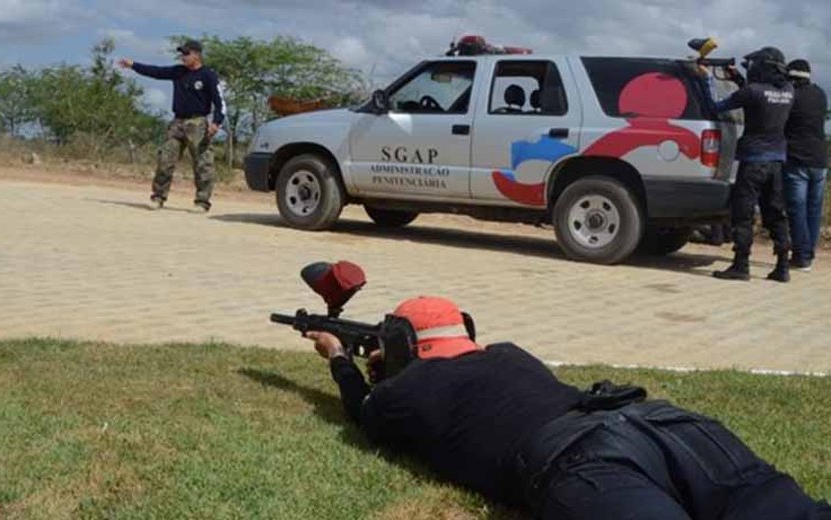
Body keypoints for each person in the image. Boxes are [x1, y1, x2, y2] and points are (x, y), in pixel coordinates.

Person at [307, 296, 831, 519]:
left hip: (582, 458)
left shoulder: (408, 391)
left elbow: (364, 411)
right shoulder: (509, 354)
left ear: (399, 343)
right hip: (661, 422)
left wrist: (339, 358)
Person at [700, 47, 794, 282]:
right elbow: (757, 94)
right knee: (776, 213)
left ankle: (741, 265)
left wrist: (707, 78)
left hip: (753, 162)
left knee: (743, 213)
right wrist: (736, 77)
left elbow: (715, 105)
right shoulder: (789, 91)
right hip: (776, 162)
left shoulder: (752, 91)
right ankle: (783, 267)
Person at [118, 40, 225, 213]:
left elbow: (220, 102)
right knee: (165, 160)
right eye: (182, 54)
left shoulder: (208, 76)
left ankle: (202, 201)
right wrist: (133, 65)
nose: (183, 57)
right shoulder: (178, 72)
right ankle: (158, 197)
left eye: (186, 54)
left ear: (196, 55)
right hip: (177, 123)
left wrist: (217, 122)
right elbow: (156, 72)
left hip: (198, 123)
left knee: (203, 164)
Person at [783, 59, 828, 272]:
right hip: (820, 159)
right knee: (813, 209)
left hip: (797, 159)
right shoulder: (820, 94)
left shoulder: (792, 96)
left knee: (797, 209)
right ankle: (809, 252)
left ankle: (801, 256)